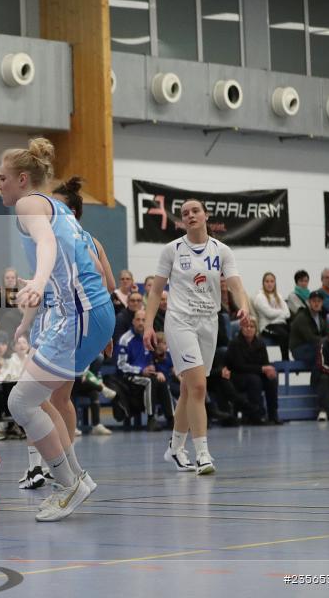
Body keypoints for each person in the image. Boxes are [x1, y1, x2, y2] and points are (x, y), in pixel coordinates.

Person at [0, 142, 114, 522]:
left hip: (77, 315)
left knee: (22, 402)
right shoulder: (58, 208)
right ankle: (75, 477)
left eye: (2, 178)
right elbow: (90, 264)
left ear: (22, 179)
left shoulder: (28, 204)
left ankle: (68, 484)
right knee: (45, 399)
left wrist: (39, 281)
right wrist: (28, 320)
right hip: (88, 312)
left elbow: (47, 244)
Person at [143, 198, 251, 475]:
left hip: (208, 322)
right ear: (182, 220)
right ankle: (202, 453)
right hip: (180, 321)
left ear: (206, 215)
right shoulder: (172, 250)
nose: (190, 215)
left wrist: (244, 307)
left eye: (195, 211)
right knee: (199, 387)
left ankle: (175, 447)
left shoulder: (222, 250)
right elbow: (156, 291)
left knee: (189, 389)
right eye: (185, 213)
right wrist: (147, 325)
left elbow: (236, 285)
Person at [117, 310, 175, 431]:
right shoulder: (125, 339)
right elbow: (121, 365)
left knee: (162, 380)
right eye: (138, 320)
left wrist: (158, 372)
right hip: (130, 376)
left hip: (149, 374)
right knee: (150, 381)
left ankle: (171, 419)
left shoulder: (150, 337)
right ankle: (151, 419)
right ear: (133, 321)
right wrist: (140, 370)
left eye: (144, 320)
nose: (141, 323)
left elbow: (158, 358)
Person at [226, 317, 282, 425]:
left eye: (252, 327)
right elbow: (239, 366)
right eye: (246, 326)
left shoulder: (260, 343)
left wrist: (269, 371)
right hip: (237, 376)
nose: (249, 329)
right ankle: (256, 415)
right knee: (255, 380)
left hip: (256, 374)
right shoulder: (235, 343)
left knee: (272, 380)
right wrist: (262, 369)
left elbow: (265, 363)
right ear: (241, 328)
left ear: (256, 329)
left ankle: (273, 415)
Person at [253, 271, 290, 360]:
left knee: (295, 331)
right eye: (267, 281)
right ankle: (285, 360)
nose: (269, 284)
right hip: (267, 326)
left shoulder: (279, 296)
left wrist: (278, 313)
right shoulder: (260, 297)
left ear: (275, 283)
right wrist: (281, 312)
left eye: (272, 281)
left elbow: (288, 313)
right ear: (263, 283)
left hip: (282, 324)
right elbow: (269, 314)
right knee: (283, 334)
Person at [289, 290, 328, 364]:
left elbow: (327, 334)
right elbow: (310, 338)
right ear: (309, 302)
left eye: (319, 301)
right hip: (300, 349)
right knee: (321, 356)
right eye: (314, 301)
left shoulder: (321, 317)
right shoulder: (302, 317)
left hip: (314, 347)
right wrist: (328, 341)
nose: (316, 303)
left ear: (322, 303)